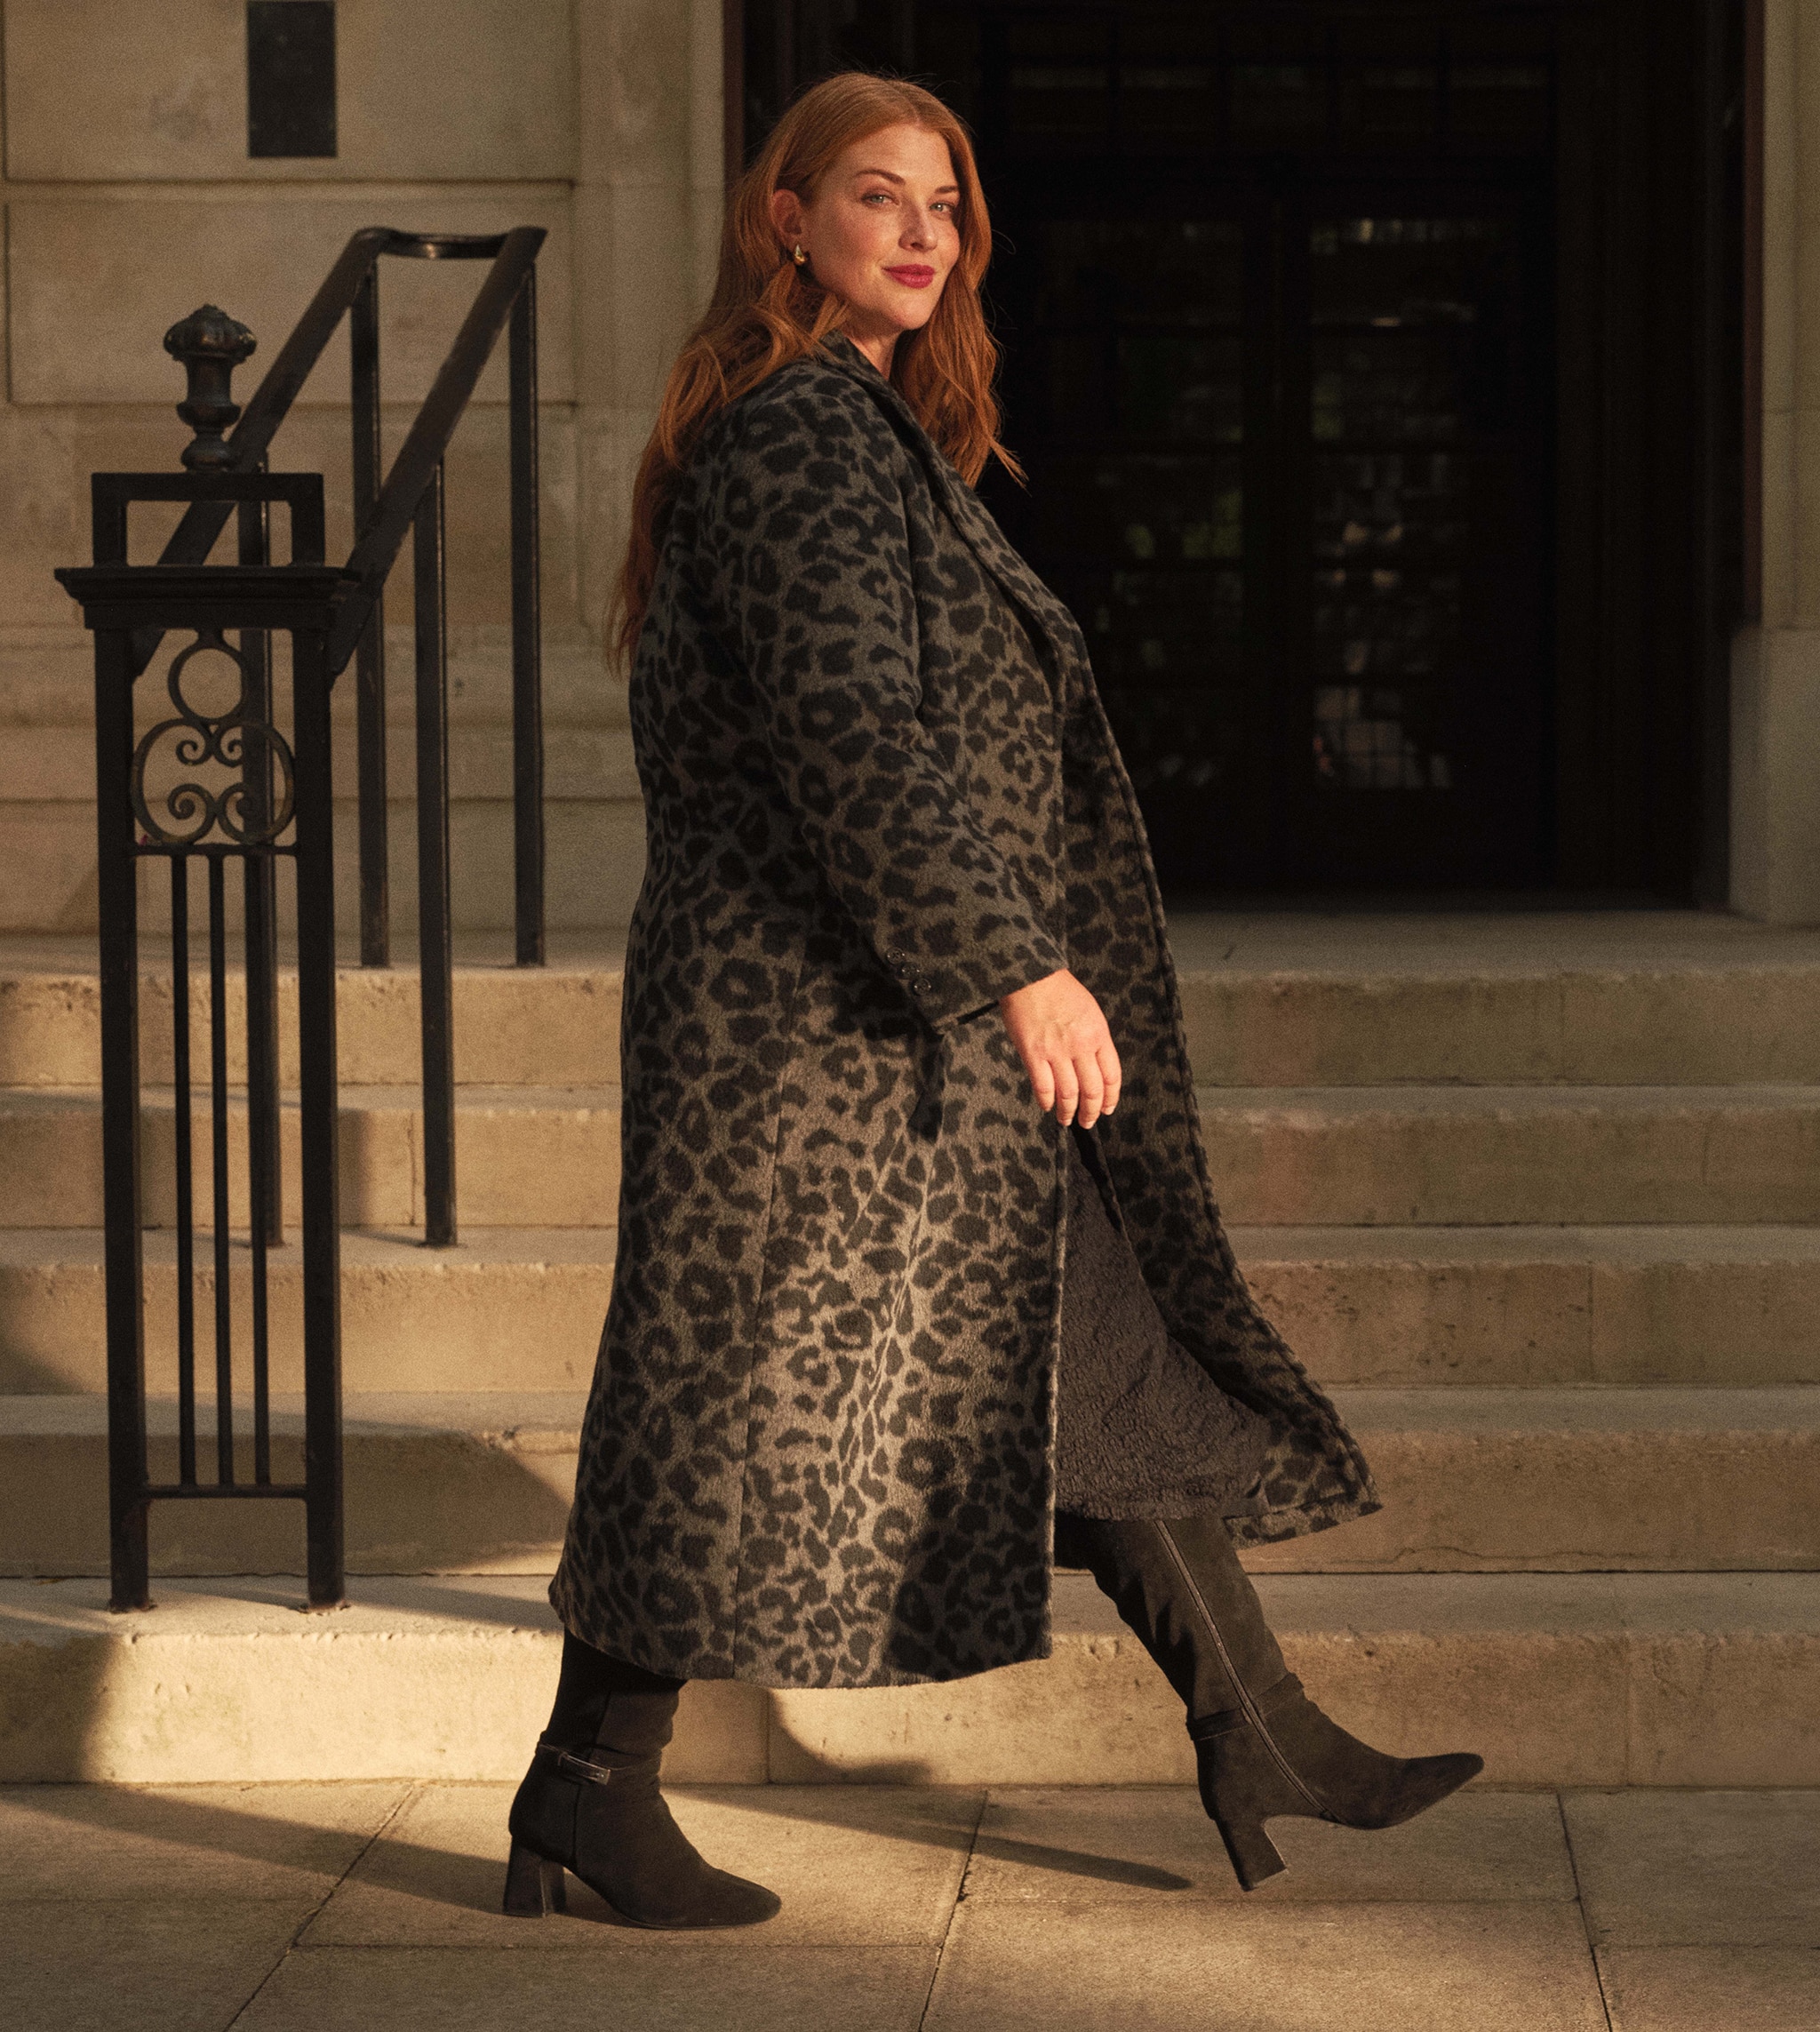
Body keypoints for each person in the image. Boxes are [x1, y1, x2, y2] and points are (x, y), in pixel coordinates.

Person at [502, 72, 1481, 1932]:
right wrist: (1015, 966)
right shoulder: (799, 435)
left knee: (1085, 1349)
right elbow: (851, 733)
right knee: (721, 1416)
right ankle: (588, 1792)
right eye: (877, 195)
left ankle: (1256, 1729)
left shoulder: (864, 434)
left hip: (874, 1018)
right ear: (782, 219)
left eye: (945, 202)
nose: (922, 231)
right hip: (805, 1034)